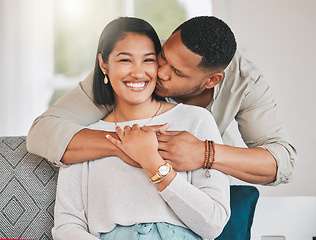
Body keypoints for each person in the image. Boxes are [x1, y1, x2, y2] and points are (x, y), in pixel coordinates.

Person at [26, 16, 296, 186]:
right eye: (163, 56)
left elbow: (281, 162)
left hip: (208, 186)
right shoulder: (137, 67)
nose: (160, 72)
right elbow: (43, 131)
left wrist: (205, 153)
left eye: (177, 72)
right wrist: (132, 146)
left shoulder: (245, 81)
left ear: (211, 81)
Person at [52, 17, 230, 240]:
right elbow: (67, 226)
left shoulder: (196, 121)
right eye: (125, 60)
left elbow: (213, 224)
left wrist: (152, 162)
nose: (138, 73)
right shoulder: (85, 137)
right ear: (103, 64)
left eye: (148, 60)